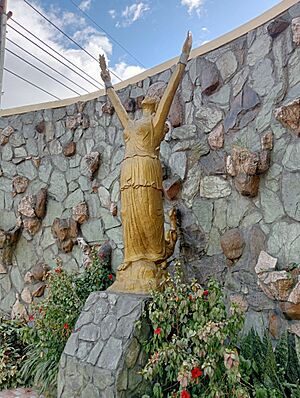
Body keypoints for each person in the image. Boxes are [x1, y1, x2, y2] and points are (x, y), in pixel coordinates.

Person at [99, 32, 192, 293]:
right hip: (129, 170)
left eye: (152, 100)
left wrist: (183, 58)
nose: (147, 101)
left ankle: (152, 261)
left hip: (147, 168)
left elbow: (171, 91)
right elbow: (118, 108)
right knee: (130, 216)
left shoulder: (155, 122)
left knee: (149, 215)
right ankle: (133, 263)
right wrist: (107, 83)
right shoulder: (132, 123)